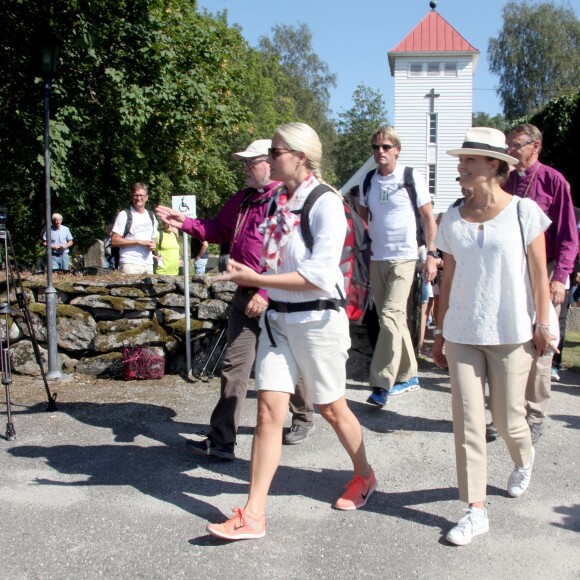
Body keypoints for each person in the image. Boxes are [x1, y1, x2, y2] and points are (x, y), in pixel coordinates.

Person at [204, 122, 376, 541]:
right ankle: (253, 514)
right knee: (267, 411)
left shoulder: (326, 203)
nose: (269, 156)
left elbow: (318, 275)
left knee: (332, 408)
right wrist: (258, 280)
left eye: (276, 150)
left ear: (300, 157)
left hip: (318, 322)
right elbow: (275, 260)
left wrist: (257, 278)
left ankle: (365, 474)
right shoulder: (281, 201)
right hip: (279, 322)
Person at [155, 139, 315, 458]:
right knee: (234, 367)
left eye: (250, 162)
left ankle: (304, 416)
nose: (244, 167)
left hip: (278, 297)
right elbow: (217, 229)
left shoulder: (288, 201)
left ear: (269, 163)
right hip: (244, 296)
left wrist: (266, 292)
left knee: (289, 362)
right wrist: (184, 223)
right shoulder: (243, 199)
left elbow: (294, 256)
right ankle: (222, 440)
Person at [432, 127, 553, 546]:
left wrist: (543, 325)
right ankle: (474, 510)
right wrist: (439, 331)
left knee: (507, 420)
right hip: (463, 333)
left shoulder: (524, 212)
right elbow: (447, 280)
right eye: (461, 161)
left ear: (494, 167)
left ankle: (524, 457)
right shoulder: (451, 217)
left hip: (511, 332)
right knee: (468, 422)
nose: (460, 168)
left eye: (469, 161)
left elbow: (540, 275)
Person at [500, 123, 578, 443]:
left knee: (542, 341)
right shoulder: (504, 180)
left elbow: (568, 238)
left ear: (536, 146)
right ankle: (507, 409)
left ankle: (535, 413)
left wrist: (560, 277)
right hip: (509, 269)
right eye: (507, 145)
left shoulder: (553, 181)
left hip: (543, 269)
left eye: (515, 145)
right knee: (508, 339)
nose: (510, 151)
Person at [358, 126, 438, 407]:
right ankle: (409, 375)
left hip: (404, 257)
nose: (380, 151)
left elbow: (429, 218)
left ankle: (381, 383)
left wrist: (431, 254)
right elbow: (364, 216)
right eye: (375, 147)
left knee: (391, 315)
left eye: (385, 147)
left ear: (396, 150)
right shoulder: (368, 181)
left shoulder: (410, 176)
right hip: (377, 258)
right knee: (392, 319)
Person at [111, 183, 159, 275]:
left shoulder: (151, 216)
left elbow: (154, 238)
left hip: (148, 263)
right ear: (132, 197)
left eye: (141, 195)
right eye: (135, 195)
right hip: (130, 263)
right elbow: (114, 241)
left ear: (146, 197)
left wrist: (153, 244)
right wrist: (138, 242)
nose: (138, 198)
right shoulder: (124, 215)